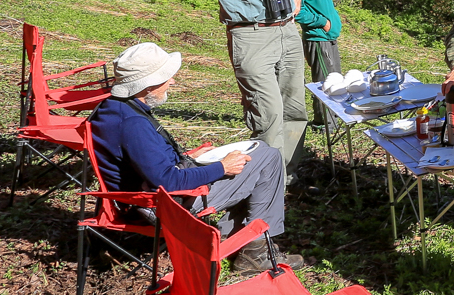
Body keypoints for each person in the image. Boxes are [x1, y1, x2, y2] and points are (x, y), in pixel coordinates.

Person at [90, 42, 301, 277]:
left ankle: (238, 236)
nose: (172, 82)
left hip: (144, 195)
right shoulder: (133, 124)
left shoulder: (113, 108)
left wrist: (189, 158)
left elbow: (146, 162)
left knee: (260, 149)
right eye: (167, 78)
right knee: (268, 158)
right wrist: (222, 167)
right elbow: (167, 181)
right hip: (165, 205)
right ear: (147, 86)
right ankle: (255, 251)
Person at [195, 0, 309, 180]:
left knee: (295, 110)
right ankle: (268, 181)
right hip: (251, 34)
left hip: (287, 31)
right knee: (268, 114)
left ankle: (288, 174)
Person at [295, 0, 342, 132]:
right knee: (325, 83)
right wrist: (322, 22)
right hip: (318, 38)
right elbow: (297, 9)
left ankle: (330, 119)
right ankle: (326, 124)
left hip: (327, 37)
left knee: (334, 79)